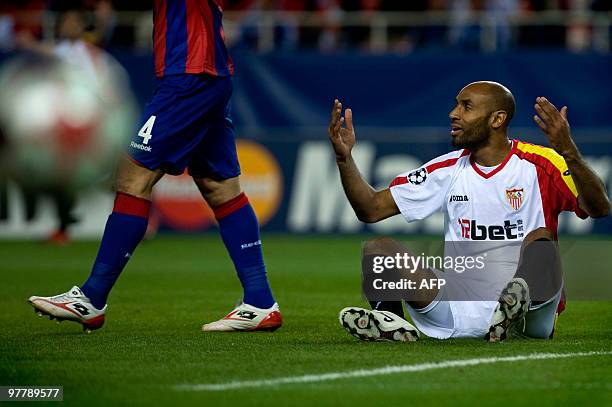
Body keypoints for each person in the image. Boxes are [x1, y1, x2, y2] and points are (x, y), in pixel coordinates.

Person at [28, 0, 282, 333]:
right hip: (205, 75)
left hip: (189, 76)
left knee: (133, 176)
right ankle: (260, 301)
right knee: (219, 186)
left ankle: (91, 298)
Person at [329, 81, 609, 342]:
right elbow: (371, 209)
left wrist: (568, 151)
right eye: (456, 104)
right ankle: (390, 322)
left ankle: (511, 306)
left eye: (466, 106)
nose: (453, 113)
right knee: (379, 249)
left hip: (529, 316)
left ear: (497, 119)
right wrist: (345, 159)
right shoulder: (448, 169)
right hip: (458, 305)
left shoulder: (541, 164)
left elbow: (599, 208)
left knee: (540, 240)